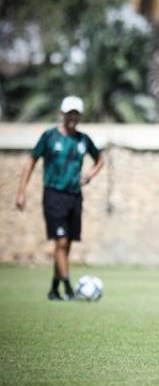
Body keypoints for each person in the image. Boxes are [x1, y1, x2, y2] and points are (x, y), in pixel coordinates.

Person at [15, 96, 104, 300]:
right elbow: (31, 162)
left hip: (74, 196)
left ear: (79, 116)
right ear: (62, 114)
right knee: (61, 241)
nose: (72, 117)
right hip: (53, 194)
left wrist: (89, 174)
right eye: (69, 113)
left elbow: (100, 160)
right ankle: (68, 288)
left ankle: (54, 289)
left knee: (66, 244)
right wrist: (21, 192)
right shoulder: (49, 137)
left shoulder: (83, 140)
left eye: (76, 113)